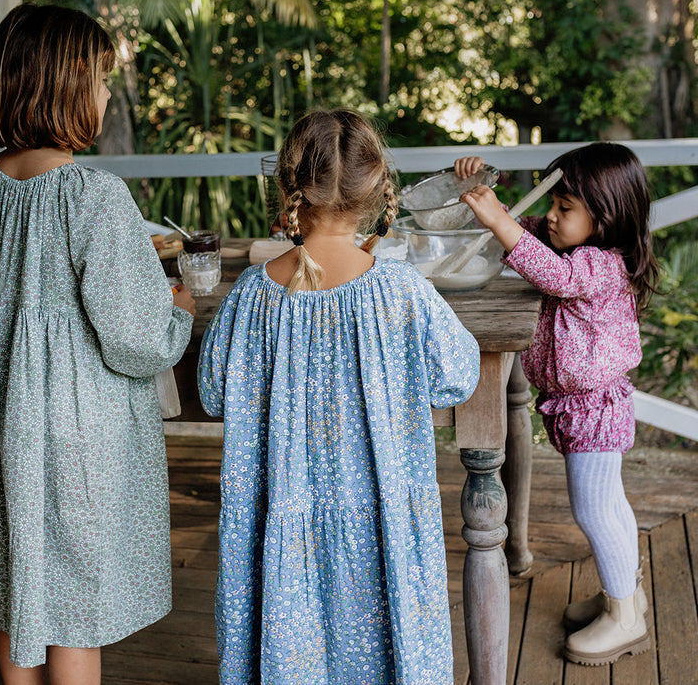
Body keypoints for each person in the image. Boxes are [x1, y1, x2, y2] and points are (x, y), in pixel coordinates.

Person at [198, 108, 480, 684]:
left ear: (290, 185)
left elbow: (213, 391)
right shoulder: (400, 289)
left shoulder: (253, 293)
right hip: (383, 522)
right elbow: (458, 375)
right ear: (377, 190)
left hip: (280, 512)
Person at [0, 3, 196, 683]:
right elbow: (132, 336)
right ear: (68, 82)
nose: (105, 93)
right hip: (77, 429)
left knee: (20, 581)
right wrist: (177, 312)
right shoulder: (92, 195)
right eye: (102, 78)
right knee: (75, 599)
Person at [454, 143, 659, 667]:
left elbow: (556, 275)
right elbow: (539, 260)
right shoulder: (581, 257)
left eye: (565, 208)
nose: (550, 215)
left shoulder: (602, 266)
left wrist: (501, 218)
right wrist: (484, 197)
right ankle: (624, 593)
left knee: (595, 509)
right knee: (609, 505)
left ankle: (625, 619)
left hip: (593, 408)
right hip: (583, 405)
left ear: (606, 216)